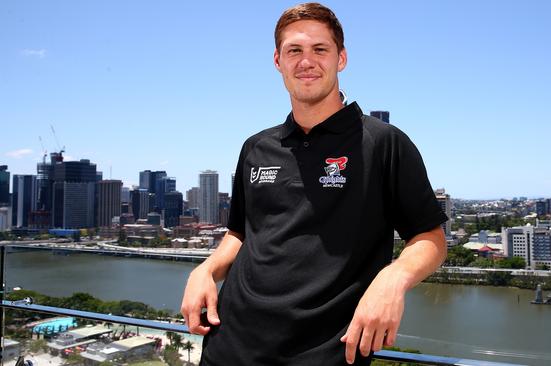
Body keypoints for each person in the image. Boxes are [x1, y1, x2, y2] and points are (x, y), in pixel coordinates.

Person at [181, 3, 448, 365]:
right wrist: (206, 270)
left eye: (320, 49)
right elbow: (240, 233)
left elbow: (430, 239)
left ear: (341, 58)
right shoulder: (256, 146)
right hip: (229, 343)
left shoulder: (384, 142)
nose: (307, 61)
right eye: (294, 50)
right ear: (278, 61)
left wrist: (393, 279)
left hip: (325, 353)